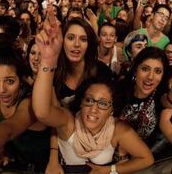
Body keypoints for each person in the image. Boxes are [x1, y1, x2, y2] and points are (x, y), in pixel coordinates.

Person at [32, 12, 154, 173]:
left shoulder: (101, 72)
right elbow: (50, 116)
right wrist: (54, 157)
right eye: (70, 38)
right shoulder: (55, 76)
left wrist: (115, 159)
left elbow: (111, 112)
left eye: (83, 39)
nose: (76, 44)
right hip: (67, 135)